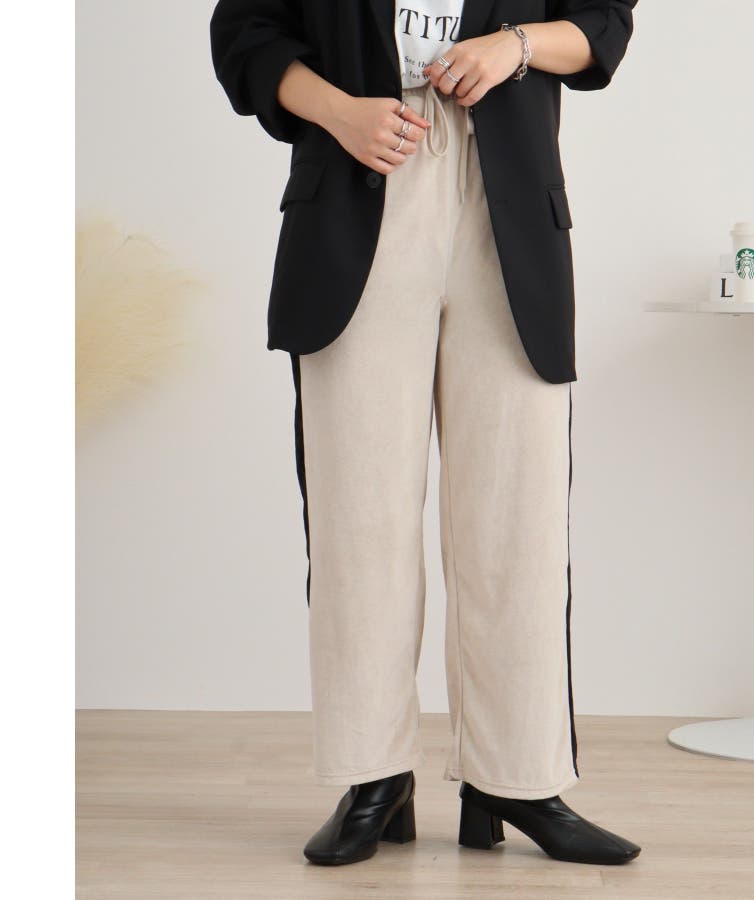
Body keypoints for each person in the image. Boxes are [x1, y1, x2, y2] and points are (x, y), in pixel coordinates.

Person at [210, 0, 640, 867]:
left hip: (507, 212)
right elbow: (245, 33)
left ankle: (515, 777)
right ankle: (373, 776)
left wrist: (514, 46)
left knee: (517, 523)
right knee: (359, 519)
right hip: (358, 193)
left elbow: (604, 22)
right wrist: (340, 112)